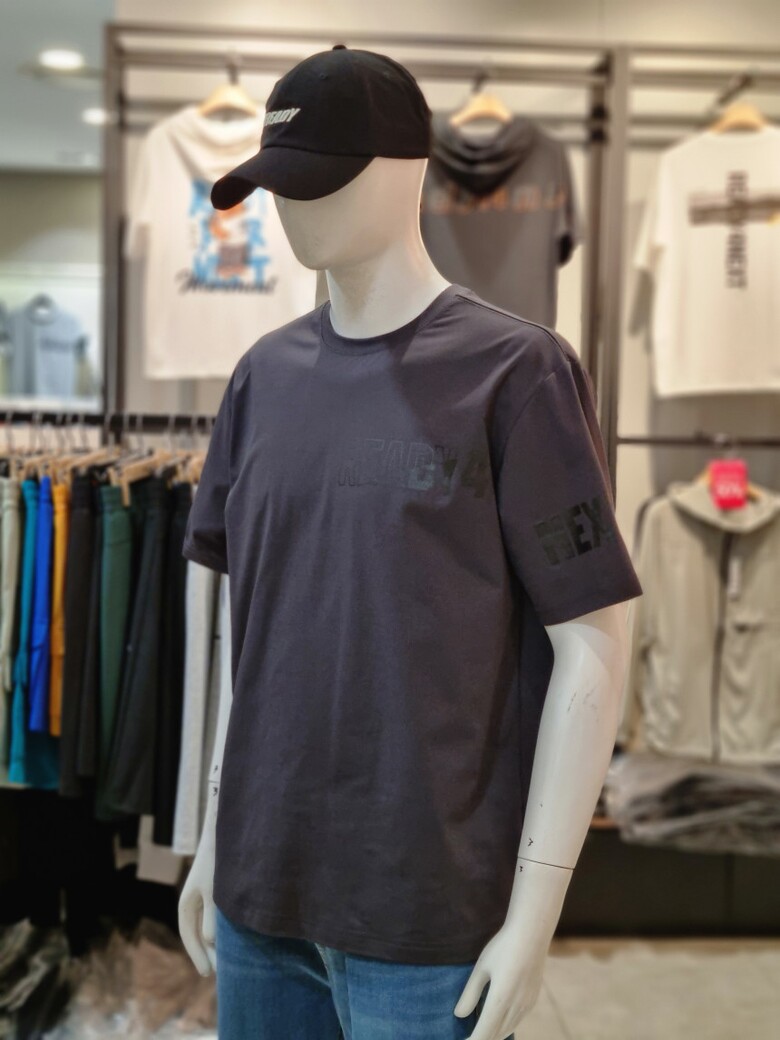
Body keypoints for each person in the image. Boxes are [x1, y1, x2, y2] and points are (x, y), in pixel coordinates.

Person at [178, 45, 642, 1040]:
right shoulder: (260, 379)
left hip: (426, 916)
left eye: (318, 180)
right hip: (259, 894)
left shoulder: (517, 374)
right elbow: (243, 638)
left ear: (406, 173)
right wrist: (215, 832)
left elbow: (595, 643)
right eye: (279, 183)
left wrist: (536, 906)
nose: (292, 210)